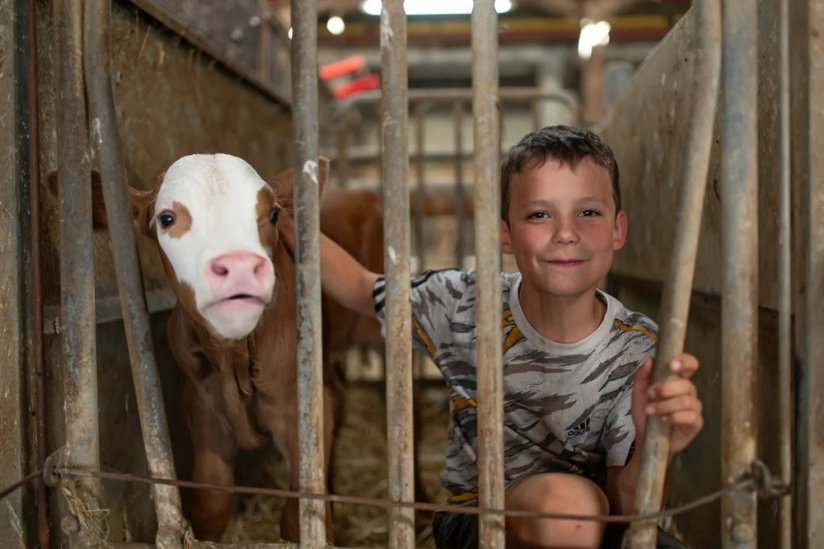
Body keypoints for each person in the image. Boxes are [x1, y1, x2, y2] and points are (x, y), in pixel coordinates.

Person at [281, 125, 703, 548]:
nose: (566, 233)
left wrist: (655, 446)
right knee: (571, 510)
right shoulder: (464, 302)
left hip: (595, 524)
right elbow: (358, 286)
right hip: (479, 521)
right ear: (505, 235)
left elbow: (629, 513)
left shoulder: (638, 348)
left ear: (618, 229)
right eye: (540, 214)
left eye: (588, 213)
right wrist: (274, 215)